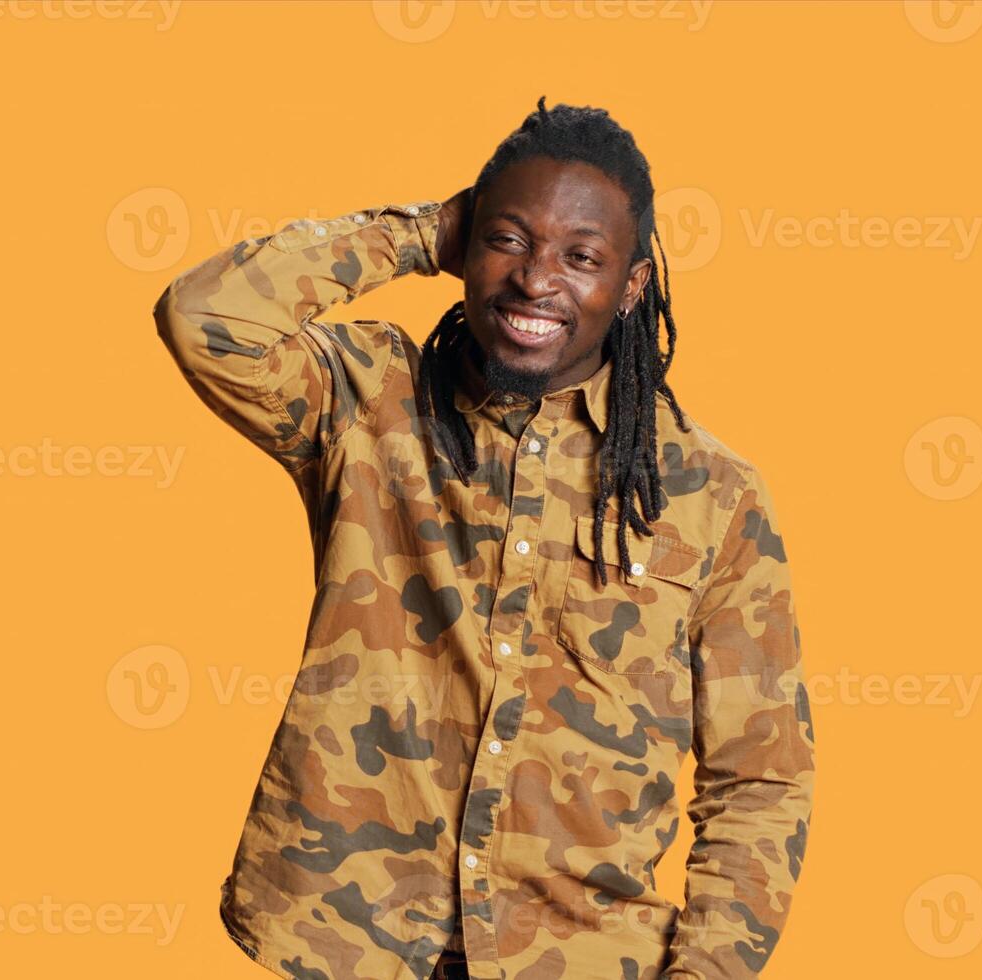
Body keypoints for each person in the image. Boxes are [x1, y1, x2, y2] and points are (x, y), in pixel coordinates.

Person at [154, 97, 815, 980]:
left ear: (631, 287)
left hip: (581, 956)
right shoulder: (369, 400)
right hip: (342, 940)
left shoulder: (711, 494)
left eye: (581, 256)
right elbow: (206, 318)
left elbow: (760, 781)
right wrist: (427, 232)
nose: (537, 280)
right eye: (510, 240)